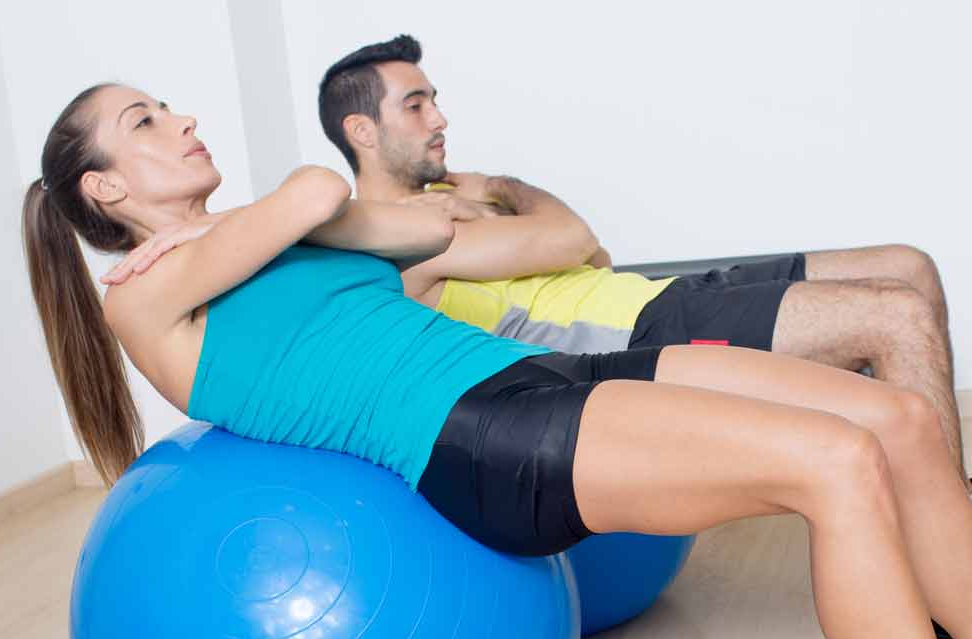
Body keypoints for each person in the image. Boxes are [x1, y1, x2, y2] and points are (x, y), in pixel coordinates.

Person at [27, 82, 972, 639]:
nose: (182, 117)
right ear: (104, 189)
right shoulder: (141, 299)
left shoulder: (273, 238)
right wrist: (284, 216)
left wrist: (474, 196)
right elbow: (322, 188)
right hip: (480, 438)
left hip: (543, 370)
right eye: (146, 119)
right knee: (837, 462)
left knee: (899, 421)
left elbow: (434, 229)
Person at [316, 35, 968, 496]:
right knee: (897, 316)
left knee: (909, 267)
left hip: (648, 295)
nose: (440, 118)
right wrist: (500, 186)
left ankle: (944, 505)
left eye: (434, 99)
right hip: (640, 337)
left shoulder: (440, 205)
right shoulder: (389, 238)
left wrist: (503, 214)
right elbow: (573, 234)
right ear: (362, 131)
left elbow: (589, 256)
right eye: (416, 105)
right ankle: (953, 560)